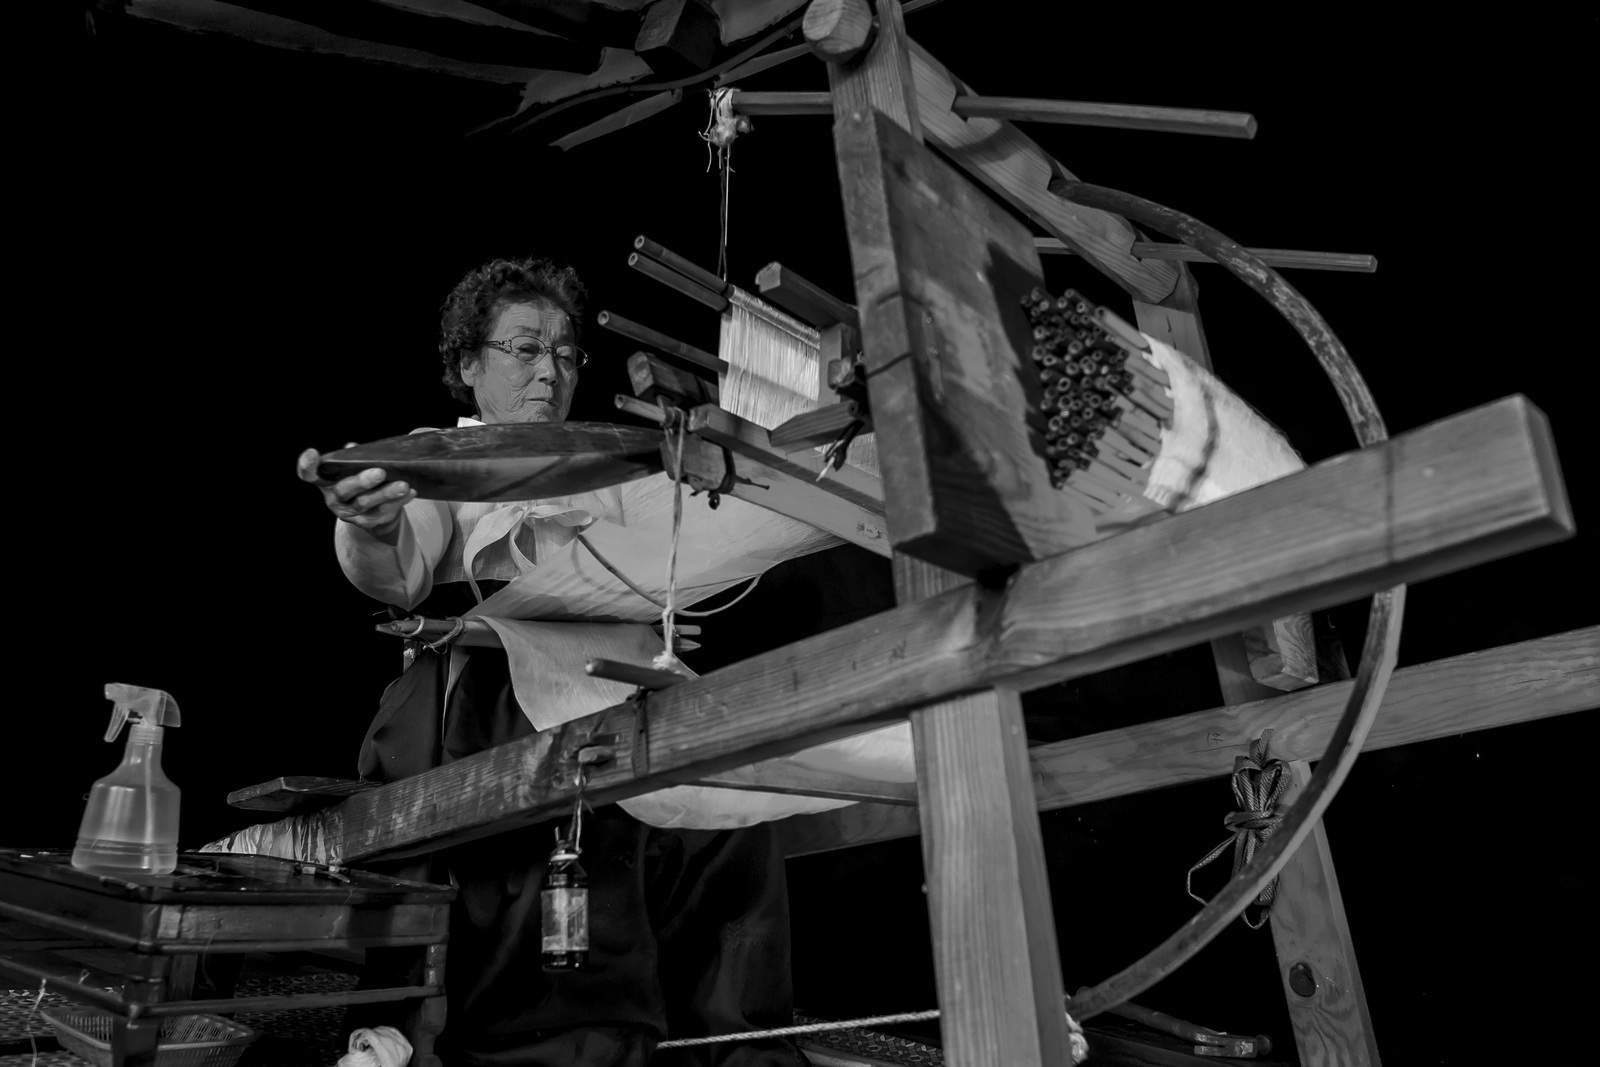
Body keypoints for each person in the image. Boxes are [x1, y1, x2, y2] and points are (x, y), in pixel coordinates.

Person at [297, 257, 809, 1067]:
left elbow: (673, 556)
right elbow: (396, 571)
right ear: (469, 364)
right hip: (489, 689)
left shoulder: (611, 464)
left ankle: (737, 1045)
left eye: (567, 354)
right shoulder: (443, 459)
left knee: (731, 796)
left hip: (623, 683)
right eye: (526, 349)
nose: (551, 371)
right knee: (553, 798)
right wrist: (371, 521)